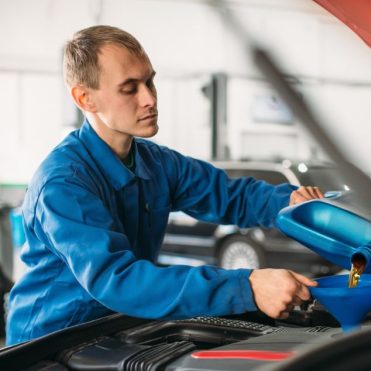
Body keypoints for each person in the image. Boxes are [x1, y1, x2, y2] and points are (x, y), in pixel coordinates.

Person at [6, 25, 323, 346]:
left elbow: (231, 196)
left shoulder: (157, 163)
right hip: (49, 341)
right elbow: (119, 281)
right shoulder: (63, 183)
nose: (150, 98)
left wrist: (293, 203)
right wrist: (248, 287)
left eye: (150, 81)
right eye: (130, 88)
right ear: (85, 98)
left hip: (115, 326)